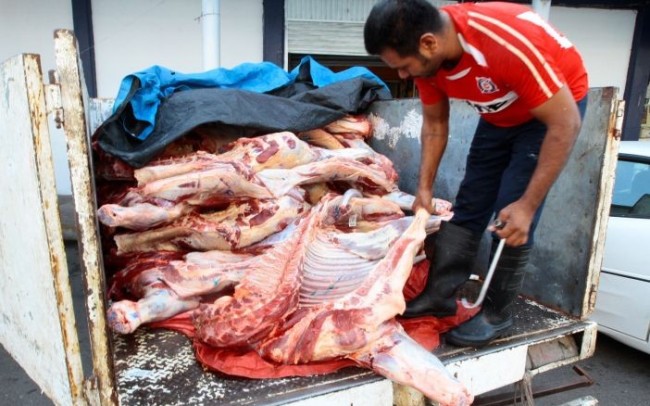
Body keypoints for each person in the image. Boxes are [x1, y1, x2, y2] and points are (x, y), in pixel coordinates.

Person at [364, 0, 588, 347]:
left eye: (404, 67)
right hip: (498, 114)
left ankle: (497, 314)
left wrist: (527, 206)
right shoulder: (429, 64)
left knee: (510, 215)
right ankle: (439, 296)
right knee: (470, 202)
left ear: (429, 43)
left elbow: (566, 123)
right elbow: (435, 124)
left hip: (551, 112)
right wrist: (423, 189)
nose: (404, 76)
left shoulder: (505, 44)